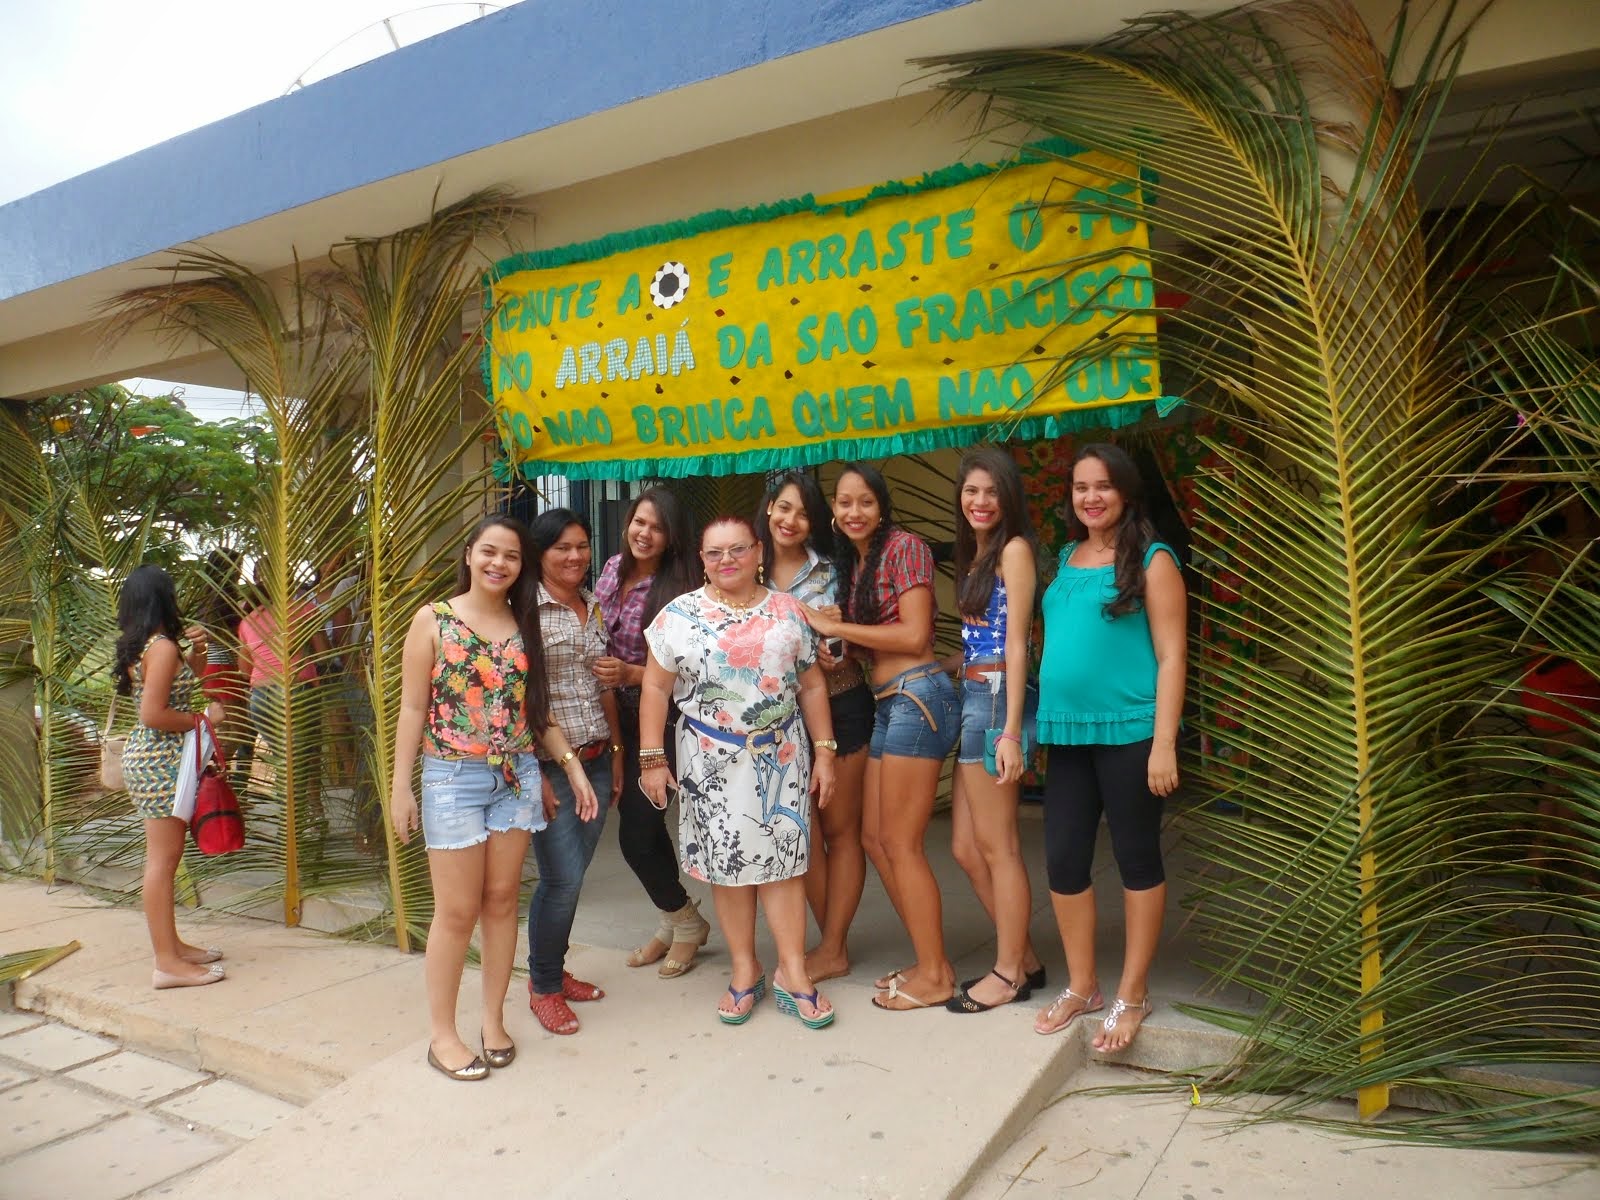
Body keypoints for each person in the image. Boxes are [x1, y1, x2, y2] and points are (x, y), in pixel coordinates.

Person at [390, 514, 598, 1081]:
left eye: (510, 556)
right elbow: (412, 709)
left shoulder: (522, 624)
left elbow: (539, 713)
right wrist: (399, 787)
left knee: (503, 901)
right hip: (452, 778)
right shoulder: (434, 619)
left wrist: (574, 770)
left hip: (518, 776)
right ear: (470, 554)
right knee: (456, 912)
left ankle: (491, 1020)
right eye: (489, 551)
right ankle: (442, 1035)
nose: (498, 563)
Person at [639, 515, 838, 1027]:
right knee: (728, 867)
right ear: (702, 561)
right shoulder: (678, 616)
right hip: (710, 760)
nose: (726, 560)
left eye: (738, 549)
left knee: (785, 863)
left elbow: (812, 685)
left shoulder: (790, 612)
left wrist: (827, 750)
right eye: (714, 552)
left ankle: (793, 971)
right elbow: (656, 689)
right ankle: (745, 968)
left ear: (759, 552)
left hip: (783, 757)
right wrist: (651, 759)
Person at [1032, 443, 1186, 1053]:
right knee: (1064, 862)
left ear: (1125, 491)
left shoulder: (1153, 559)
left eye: (1102, 486)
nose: (1090, 497)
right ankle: (1083, 985)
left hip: (1132, 733)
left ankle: (1133, 991)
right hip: (1067, 733)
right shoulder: (1067, 555)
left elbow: (1173, 656)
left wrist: (1165, 744)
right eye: (1079, 487)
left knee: (1136, 859)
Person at [801, 462, 961, 1011]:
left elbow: (915, 635)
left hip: (916, 698)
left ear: (882, 506)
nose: (853, 512)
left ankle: (937, 974)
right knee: (873, 838)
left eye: (864, 502)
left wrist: (835, 627)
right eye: (843, 503)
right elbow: (883, 641)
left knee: (900, 842)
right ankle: (927, 958)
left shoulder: (905, 547)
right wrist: (836, 648)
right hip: (890, 700)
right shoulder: (859, 560)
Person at [757, 471, 874, 984]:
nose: (790, 520)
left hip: (841, 703)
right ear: (768, 510)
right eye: (784, 508)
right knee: (800, 832)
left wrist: (837, 651)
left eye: (802, 513)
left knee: (840, 831)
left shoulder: (832, 569)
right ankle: (831, 942)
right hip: (777, 722)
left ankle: (831, 946)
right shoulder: (742, 568)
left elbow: (853, 635)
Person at [593, 487, 710, 977]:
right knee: (646, 828)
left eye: (657, 527)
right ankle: (676, 921)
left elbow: (697, 670)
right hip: (612, 714)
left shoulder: (683, 586)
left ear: (671, 536)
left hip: (663, 720)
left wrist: (632, 674)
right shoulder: (611, 568)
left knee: (638, 833)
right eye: (639, 522)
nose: (645, 533)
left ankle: (683, 921)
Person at [945, 446, 1046, 1013]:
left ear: (1009, 496)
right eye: (971, 491)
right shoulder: (980, 550)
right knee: (964, 846)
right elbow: (981, 639)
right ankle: (1025, 956)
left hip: (995, 701)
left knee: (999, 846)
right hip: (973, 693)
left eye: (991, 491)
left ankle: (1008, 973)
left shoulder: (1013, 549)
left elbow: (1017, 642)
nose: (980, 502)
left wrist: (1010, 732)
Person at [525, 508, 624, 1035]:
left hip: (597, 757)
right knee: (561, 880)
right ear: (540, 553)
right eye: (562, 547)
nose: (575, 556)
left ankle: (554, 972)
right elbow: (522, 699)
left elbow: (603, 684)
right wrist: (536, 772)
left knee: (573, 877)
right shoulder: (525, 610)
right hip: (551, 765)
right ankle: (542, 985)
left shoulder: (594, 604)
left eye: (583, 546)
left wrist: (618, 752)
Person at [113, 564, 228, 990]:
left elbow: (174, 688)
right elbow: (154, 713)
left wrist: (198, 655)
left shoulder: (146, 645)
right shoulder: (160, 647)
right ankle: (166, 962)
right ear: (164, 598)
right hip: (160, 760)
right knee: (162, 861)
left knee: (165, 859)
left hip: (154, 758)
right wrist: (204, 719)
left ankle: (173, 946)